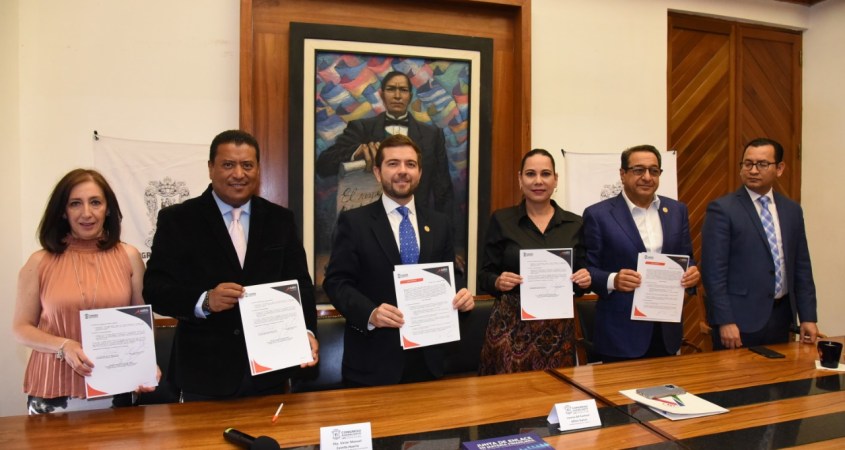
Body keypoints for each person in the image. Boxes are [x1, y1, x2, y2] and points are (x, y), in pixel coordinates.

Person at [143, 129, 319, 401]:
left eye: (247, 165)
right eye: (228, 165)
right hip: (204, 374)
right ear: (211, 168)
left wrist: (305, 331)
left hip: (271, 372)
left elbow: (301, 285)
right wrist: (205, 301)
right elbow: (155, 289)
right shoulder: (178, 220)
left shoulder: (280, 219)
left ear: (258, 169)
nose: (239, 174)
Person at [323, 134, 474, 387]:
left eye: (410, 164)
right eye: (393, 163)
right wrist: (371, 313)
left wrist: (462, 295)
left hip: (429, 362)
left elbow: (450, 276)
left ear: (420, 173)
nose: (402, 171)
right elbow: (336, 283)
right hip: (373, 364)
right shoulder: (354, 222)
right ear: (377, 172)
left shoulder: (440, 224)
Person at [13, 169, 157, 414]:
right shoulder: (39, 262)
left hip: (117, 386)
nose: (87, 213)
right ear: (63, 211)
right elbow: (21, 328)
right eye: (75, 204)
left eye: (95, 202)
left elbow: (142, 322)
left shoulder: (129, 257)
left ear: (108, 209)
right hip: (53, 388)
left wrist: (145, 364)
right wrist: (64, 345)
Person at [477, 149, 591, 374]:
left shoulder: (575, 224)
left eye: (545, 174)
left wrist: (585, 279)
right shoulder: (502, 220)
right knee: (507, 392)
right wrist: (498, 281)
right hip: (510, 330)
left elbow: (581, 280)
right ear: (520, 179)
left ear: (555, 179)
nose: (538, 181)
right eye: (530, 174)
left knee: (556, 390)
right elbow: (484, 275)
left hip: (558, 332)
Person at [583, 145, 700, 362]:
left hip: (666, 330)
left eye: (653, 171)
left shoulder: (677, 211)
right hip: (620, 335)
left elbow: (687, 257)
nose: (647, 177)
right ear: (623, 174)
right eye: (638, 170)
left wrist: (692, 274)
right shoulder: (598, 215)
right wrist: (613, 280)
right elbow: (587, 269)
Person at [702, 138, 818, 350]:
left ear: (779, 168)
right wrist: (725, 320)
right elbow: (713, 272)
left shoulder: (792, 210)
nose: (753, 170)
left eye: (762, 164)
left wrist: (808, 316)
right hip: (738, 321)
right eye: (748, 164)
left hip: (782, 318)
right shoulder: (722, 209)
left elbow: (801, 266)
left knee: (780, 372)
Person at [315, 71, 454, 215]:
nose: (397, 96)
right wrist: (356, 152)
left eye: (403, 90)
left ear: (410, 96)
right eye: (391, 89)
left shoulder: (432, 135)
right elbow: (323, 166)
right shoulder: (361, 128)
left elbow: (443, 191)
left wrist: (444, 228)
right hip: (370, 221)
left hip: (417, 220)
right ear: (382, 95)